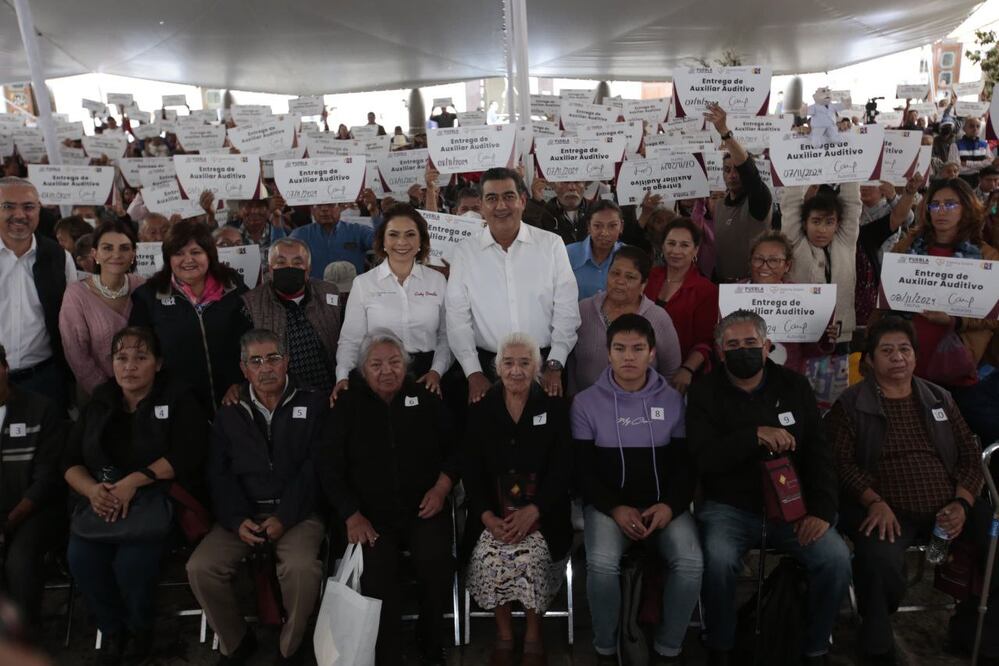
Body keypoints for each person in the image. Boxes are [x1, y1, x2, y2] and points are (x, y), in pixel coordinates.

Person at [686, 310, 852, 666]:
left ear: (767, 347)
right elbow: (703, 458)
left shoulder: (795, 386)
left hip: (794, 509)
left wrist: (822, 512)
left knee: (835, 558)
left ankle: (815, 646)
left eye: (750, 343)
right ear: (719, 351)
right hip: (728, 507)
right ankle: (721, 645)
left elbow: (819, 455)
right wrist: (753, 436)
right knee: (717, 560)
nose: (742, 350)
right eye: (732, 344)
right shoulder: (704, 393)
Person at [827, 316, 984, 664]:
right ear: (869, 359)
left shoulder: (938, 398)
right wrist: (874, 501)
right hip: (885, 507)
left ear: (915, 355)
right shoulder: (852, 404)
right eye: (887, 350)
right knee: (879, 560)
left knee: (994, 539)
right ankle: (877, 637)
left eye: (905, 349)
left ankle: (976, 630)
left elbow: (971, 456)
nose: (898, 357)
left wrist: (962, 502)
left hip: (947, 504)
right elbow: (840, 465)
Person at [63, 327, 209, 664]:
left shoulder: (178, 397)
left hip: (158, 501)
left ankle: (141, 630)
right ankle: (113, 631)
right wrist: (92, 489)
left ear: (158, 364)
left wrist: (136, 481)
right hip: (102, 500)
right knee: (81, 559)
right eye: (121, 358)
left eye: (140, 358)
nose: (129, 366)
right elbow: (68, 461)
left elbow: (189, 452)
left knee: (132, 564)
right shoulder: (100, 401)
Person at [187, 329, 327, 665]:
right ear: (244, 368)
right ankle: (235, 642)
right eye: (256, 361)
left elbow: (316, 469)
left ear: (287, 362)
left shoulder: (314, 402)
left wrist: (286, 517)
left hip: (298, 514)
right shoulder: (230, 412)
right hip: (244, 515)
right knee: (200, 568)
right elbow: (218, 475)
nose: (266, 368)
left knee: (301, 568)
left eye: (273, 358)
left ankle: (289, 648)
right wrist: (237, 521)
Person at [321, 331, 458, 666]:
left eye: (395, 362)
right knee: (378, 571)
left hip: (423, 510)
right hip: (369, 517)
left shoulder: (424, 398)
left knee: (436, 560)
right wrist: (351, 514)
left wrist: (442, 488)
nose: (387, 371)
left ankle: (429, 640)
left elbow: (458, 449)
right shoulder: (348, 405)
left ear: (406, 365)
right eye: (377, 364)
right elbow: (327, 467)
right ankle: (387, 651)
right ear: (362, 370)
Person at [571, 314, 703, 664]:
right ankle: (605, 648)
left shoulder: (673, 400)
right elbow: (583, 472)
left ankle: (667, 649)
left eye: (637, 349)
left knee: (690, 563)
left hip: (664, 509)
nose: (628, 357)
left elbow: (685, 467)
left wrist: (669, 507)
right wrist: (614, 508)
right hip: (608, 509)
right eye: (620, 349)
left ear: (652, 353)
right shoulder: (585, 403)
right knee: (600, 564)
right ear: (608, 353)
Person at [462, 333, 572, 666]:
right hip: (493, 514)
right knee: (490, 554)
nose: (516, 370)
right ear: (497, 368)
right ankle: (505, 635)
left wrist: (534, 511)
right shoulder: (482, 409)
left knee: (531, 557)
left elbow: (564, 467)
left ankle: (535, 637)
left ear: (537, 368)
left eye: (525, 363)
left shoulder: (553, 407)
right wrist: (486, 517)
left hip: (544, 514)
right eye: (508, 363)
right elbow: (471, 469)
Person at [446, 167, 580, 403]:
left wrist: (555, 364)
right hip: (487, 369)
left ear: (523, 200)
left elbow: (567, 309)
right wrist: (473, 372)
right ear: (482, 204)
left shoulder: (551, 245)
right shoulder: (465, 252)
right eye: (491, 198)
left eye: (508, 197)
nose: (500, 206)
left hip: (546, 366)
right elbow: (457, 318)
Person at [883, 177, 999, 444]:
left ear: (966, 208)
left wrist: (955, 320)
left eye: (950, 204)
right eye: (934, 205)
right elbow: (887, 300)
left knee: (956, 443)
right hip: (908, 369)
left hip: (960, 372)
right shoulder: (908, 247)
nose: (941, 211)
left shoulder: (986, 256)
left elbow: (994, 316)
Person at [129, 219, 253, 410]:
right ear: (168, 258)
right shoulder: (148, 297)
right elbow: (141, 353)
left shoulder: (233, 286)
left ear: (209, 255)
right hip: (178, 405)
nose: (188, 260)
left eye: (196, 252)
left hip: (234, 398)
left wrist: (243, 383)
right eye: (178, 253)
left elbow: (251, 339)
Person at [334, 205, 449, 398]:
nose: (402, 242)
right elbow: (351, 339)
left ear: (421, 240)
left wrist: (436, 371)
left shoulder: (437, 281)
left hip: (428, 376)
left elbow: (446, 336)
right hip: (378, 376)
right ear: (383, 241)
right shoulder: (363, 283)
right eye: (393, 235)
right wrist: (343, 376)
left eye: (410, 234)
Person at [0, 344, 66, 629]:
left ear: (4, 368)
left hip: (35, 512)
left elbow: (46, 481)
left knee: (20, 563)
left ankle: (23, 644)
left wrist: (8, 524)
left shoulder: (41, 409)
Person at [0, 176, 77, 411]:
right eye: (8, 206)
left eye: (28, 207)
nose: (20, 215)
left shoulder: (60, 258)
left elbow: (72, 321)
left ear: (39, 210)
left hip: (44, 380)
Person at [569, 246, 681, 394]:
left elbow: (671, 371)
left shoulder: (658, 318)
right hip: (587, 408)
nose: (620, 281)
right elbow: (571, 363)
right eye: (615, 273)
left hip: (642, 409)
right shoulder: (583, 310)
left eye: (630, 277)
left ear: (644, 284)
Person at [243, 238, 340, 395]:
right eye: (281, 262)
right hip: (281, 397)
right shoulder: (251, 304)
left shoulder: (329, 293)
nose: (289, 268)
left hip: (330, 391)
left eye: (297, 263)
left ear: (308, 270)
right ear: (270, 269)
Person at [59, 220, 145, 396]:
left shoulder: (142, 287)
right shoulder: (76, 295)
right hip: (98, 397)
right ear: (95, 254)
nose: (116, 254)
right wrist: (109, 394)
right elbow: (76, 355)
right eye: (107, 248)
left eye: (124, 248)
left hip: (144, 392)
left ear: (133, 255)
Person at [780, 183, 862, 346]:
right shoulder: (794, 243)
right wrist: (796, 166)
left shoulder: (845, 243)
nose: (822, 230)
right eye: (816, 221)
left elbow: (852, 203)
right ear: (804, 224)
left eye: (829, 222)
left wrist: (852, 161)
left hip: (839, 338)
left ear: (837, 225)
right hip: (799, 336)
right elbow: (791, 205)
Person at [644, 218, 718, 395]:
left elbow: (705, 341)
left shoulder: (706, 290)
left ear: (696, 250)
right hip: (642, 369)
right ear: (662, 246)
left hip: (680, 376)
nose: (676, 251)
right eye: (671, 243)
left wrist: (687, 369)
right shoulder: (648, 277)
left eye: (684, 245)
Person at [703, 103, 773, 282]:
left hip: (751, 286)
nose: (732, 175)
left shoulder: (759, 202)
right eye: (727, 170)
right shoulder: (719, 205)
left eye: (737, 170)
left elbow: (749, 171)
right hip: (721, 285)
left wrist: (724, 132)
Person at [855, 177, 919, 324]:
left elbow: (908, 218)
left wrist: (894, 197)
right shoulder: (854, 210)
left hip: (887, 270)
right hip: (863, 275)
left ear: (882, 188)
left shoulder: (892, 207)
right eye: (862, 183)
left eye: (871, 184)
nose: (865, 187)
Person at [290, 202, 375, 277]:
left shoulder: (358, 231)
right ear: (311, 210)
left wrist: (374, 212)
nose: (324, 209)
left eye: (331, 205)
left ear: (341, 208)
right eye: (318, 205)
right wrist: (276, 219)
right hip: (314, 293)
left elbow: (383, 243)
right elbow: (280, 253)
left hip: (353, 292)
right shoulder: (300, 235)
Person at [565, 200, 624, 300]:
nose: (605, 233)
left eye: (612, 226)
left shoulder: (629, 256)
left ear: (621, 226)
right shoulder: (568, 254)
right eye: (597, 226)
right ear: (589, 226)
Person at [523, 179, 589, 243]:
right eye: (565, 182)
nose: (572, 187)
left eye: (577, 182)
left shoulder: (594, 211)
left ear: (585, 185)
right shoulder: (541, 212)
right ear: (554, 186)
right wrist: (536, 203)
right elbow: (531, 236)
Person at [232, 198, 287, 272]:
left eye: (260, 205)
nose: (254, 211)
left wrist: (276, 219)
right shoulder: (228, 234)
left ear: (269, 210)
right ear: (240, 209)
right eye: (248, 205)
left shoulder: (283, 232)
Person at [955, 116, 994, 185]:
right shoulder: (956, 145)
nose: (975, 129)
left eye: (978, 126)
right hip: (962, 181)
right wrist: (980, 166)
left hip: (981, 182)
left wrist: (967, 163)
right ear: (964, 128)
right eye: (971, 126)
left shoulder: (984, 144)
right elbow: (957, 168)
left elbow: (989, 163)